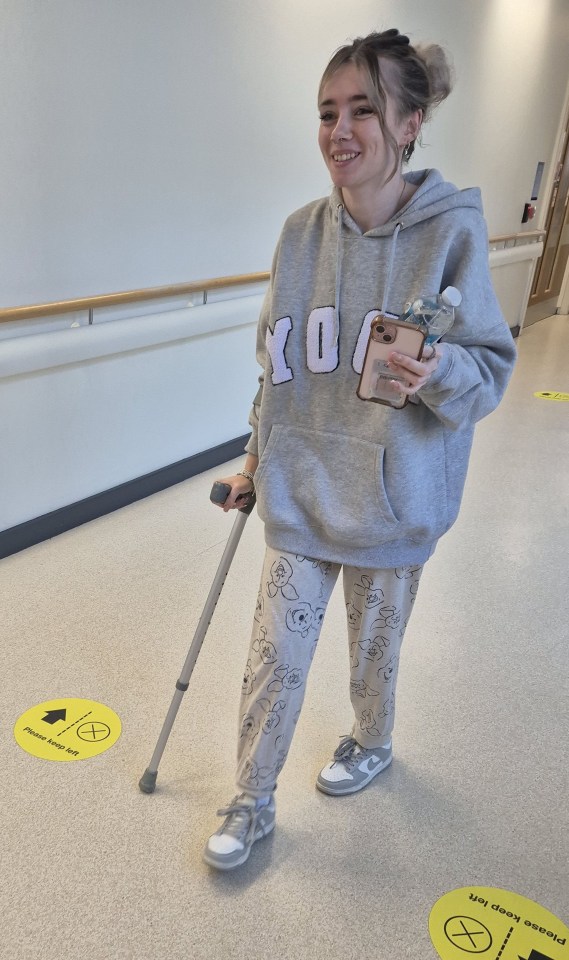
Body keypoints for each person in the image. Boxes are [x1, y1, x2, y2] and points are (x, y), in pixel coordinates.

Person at [202, 28, 517, 871]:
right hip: (300, 491)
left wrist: (435, 368)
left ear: (409, 124)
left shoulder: (449, 235)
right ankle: (252, 796)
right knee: (274, 656)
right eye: (327, 112)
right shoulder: (299, 235)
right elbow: (277, 367)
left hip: (392, 499)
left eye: (362, 112)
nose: (339, 131)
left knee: (373, 655)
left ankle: (370, 741)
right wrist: (252, 462)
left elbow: (489, 375)